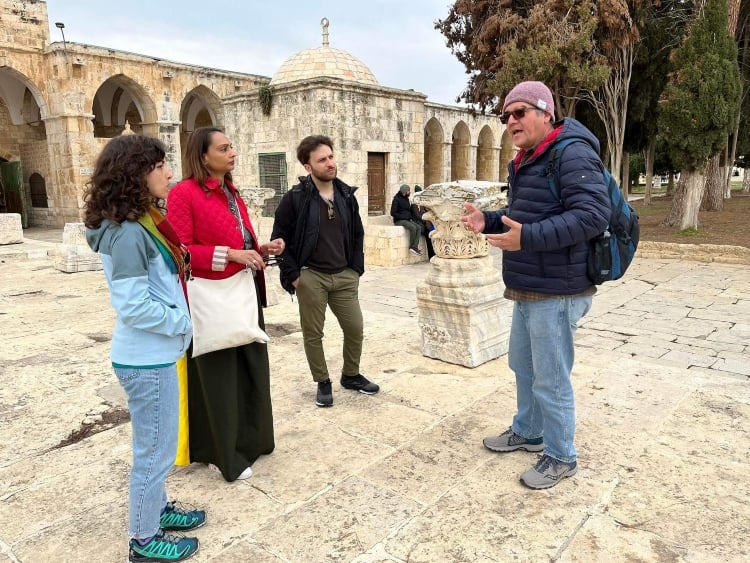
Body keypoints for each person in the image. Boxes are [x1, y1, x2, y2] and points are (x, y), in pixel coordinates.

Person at [461, 81, 610, 490]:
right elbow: (522, 213)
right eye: (506, 115)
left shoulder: (572, 152)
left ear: (546, 112)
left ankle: (562, 455)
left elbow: (592, 216)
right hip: (528, 285)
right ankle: (529, 431)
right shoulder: (529, 158)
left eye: (520, 112)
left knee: (551, 377)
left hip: (559, 290)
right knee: (523, 367)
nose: (511, 121)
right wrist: (487, 221)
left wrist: (526, 238)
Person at [84, 135, 206, 563]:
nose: (169, 173)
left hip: (154, 354)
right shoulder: (130, 234)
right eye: (159, 166)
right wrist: (182, 323)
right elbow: (133, 306)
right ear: (134, 174)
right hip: (145, 356)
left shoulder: (145, 223)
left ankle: (156, 509)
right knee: (154, 451)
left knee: (158, 443)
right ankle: (143, 538)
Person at [166, 127, 283, 482]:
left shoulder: (231, 191)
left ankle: (254, 441)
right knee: (220, 381)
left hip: (243, 296)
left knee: (250, 371)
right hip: (212, 302)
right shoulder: (183, 194)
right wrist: (232, 254)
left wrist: (259, 249)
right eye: (224, 148)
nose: (232, 152)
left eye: (232, 146)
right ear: (203, 156)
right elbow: (180, 251)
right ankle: (224, 455)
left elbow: (239, 239)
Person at [271, 134, 378, 407]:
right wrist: (295, 276)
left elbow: (357, 234)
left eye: (331, 157)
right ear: (308, 167)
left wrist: (356, 269)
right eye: (322, 160)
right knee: (313, 334)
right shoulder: (294, 199)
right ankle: (323, 381)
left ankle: (351, 375)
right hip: (311, 277)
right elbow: (279, 239)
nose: (330, 163)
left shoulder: (345, 195)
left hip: (344, 275)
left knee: (355, 328)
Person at [390, 184, 423, 255]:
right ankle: (412, 247)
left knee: (418, 227)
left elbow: (408, 210)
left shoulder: (406, 199)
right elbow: (393, 213)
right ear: (404, 192)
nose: (410, 192)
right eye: (408, 191)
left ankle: (415, 247)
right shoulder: (396, 200)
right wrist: (403, 216)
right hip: (399, 220)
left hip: (407, 220)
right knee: (413, 228)